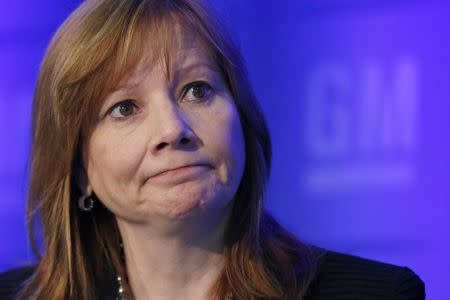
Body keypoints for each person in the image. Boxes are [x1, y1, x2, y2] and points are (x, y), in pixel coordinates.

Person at [0, 0, 425, 299]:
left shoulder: (380, 293)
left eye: (196, 90)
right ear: (79, 170)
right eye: (125, 108)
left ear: (242, 115)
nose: (172, 129)